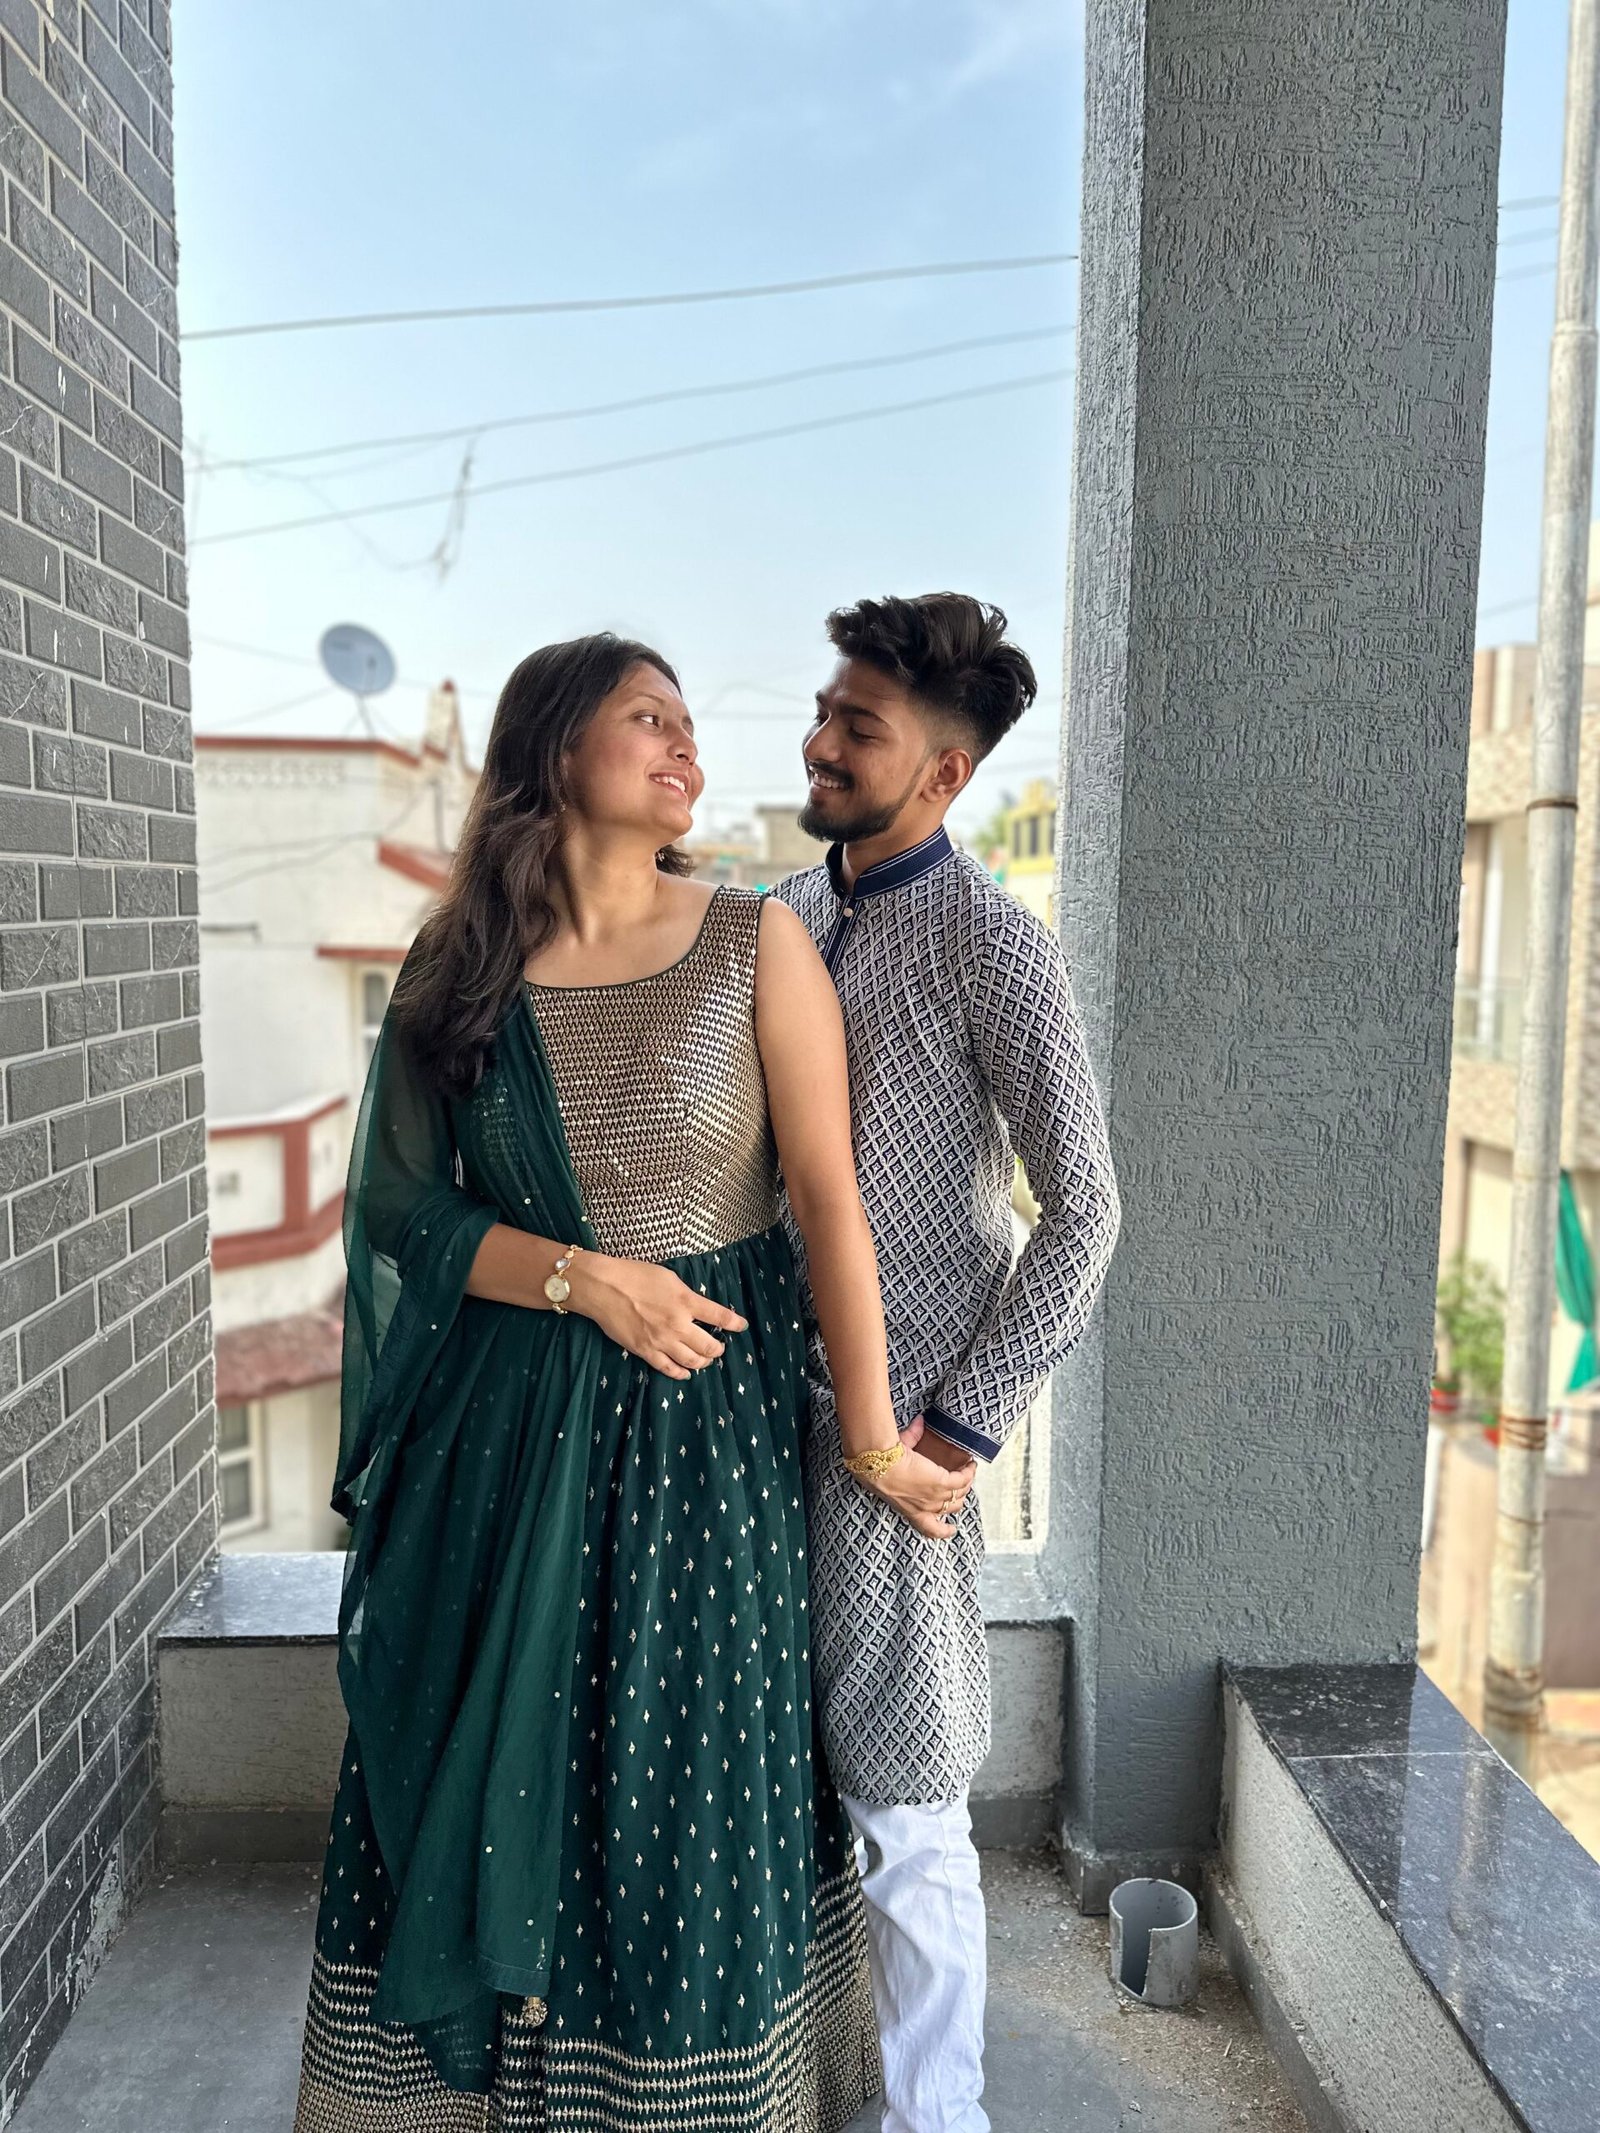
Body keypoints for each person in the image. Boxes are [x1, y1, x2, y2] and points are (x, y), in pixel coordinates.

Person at [292, 633, 967, 2132]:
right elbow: (401, 1206)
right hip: (503, 1448)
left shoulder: (753, 942)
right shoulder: (458, 964)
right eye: (647, 717)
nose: (685, 746)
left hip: (702, 1446)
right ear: (555, 750)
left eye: (688, 726)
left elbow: (829, 1201)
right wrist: (581, 1276)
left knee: (681, 1780)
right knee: (499, 1770)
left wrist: (872, 1438)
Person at [775, 593, 1122, 2133]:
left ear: (944, 773)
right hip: (749, 1410)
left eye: (858, 725)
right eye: (824, 709)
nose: (820, 740)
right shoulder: (779, 915)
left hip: (902, 1439)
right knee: (769, 1769)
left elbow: (1085, 1212)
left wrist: (960, 1431)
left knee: (909, 1802)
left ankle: (939, 2117)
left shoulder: (994, 942)